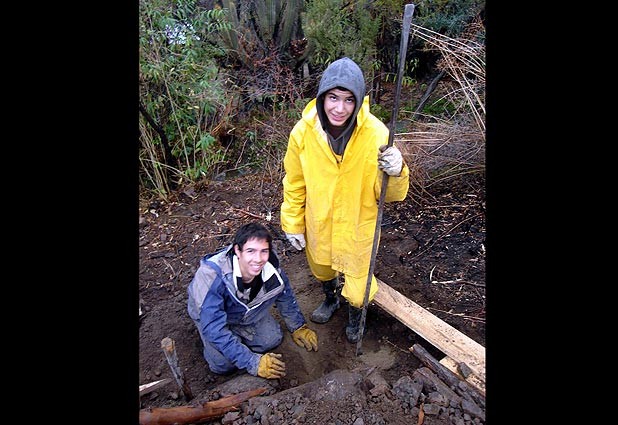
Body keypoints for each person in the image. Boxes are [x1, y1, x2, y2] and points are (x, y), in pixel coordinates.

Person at [280, 57, 410, 343]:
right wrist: (292, 223)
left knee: (359, 288)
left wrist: (397, 171)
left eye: (349, 100)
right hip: (320, 218)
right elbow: (294, 182)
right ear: (322, 97)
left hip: (358, 222)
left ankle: (355, 314)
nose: (339, 108)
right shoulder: (302, 132)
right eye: (333, 98)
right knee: (321, 267)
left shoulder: (376, 134)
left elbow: (390, 195)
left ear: (359, 100)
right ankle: (330, 299)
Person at [187, 222, 318, 380]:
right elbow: (214, 327)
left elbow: (284, 294)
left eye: (264, 251)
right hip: (210, 317)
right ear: (238, 250)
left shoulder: (271, 266)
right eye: (251, 251)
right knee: (223, 365)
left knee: (272, 339)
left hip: (245, 312)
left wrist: (298, 326)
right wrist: (252, 361)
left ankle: (236, 337)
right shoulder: (210, 276)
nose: (258, 259)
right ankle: (211, 341)